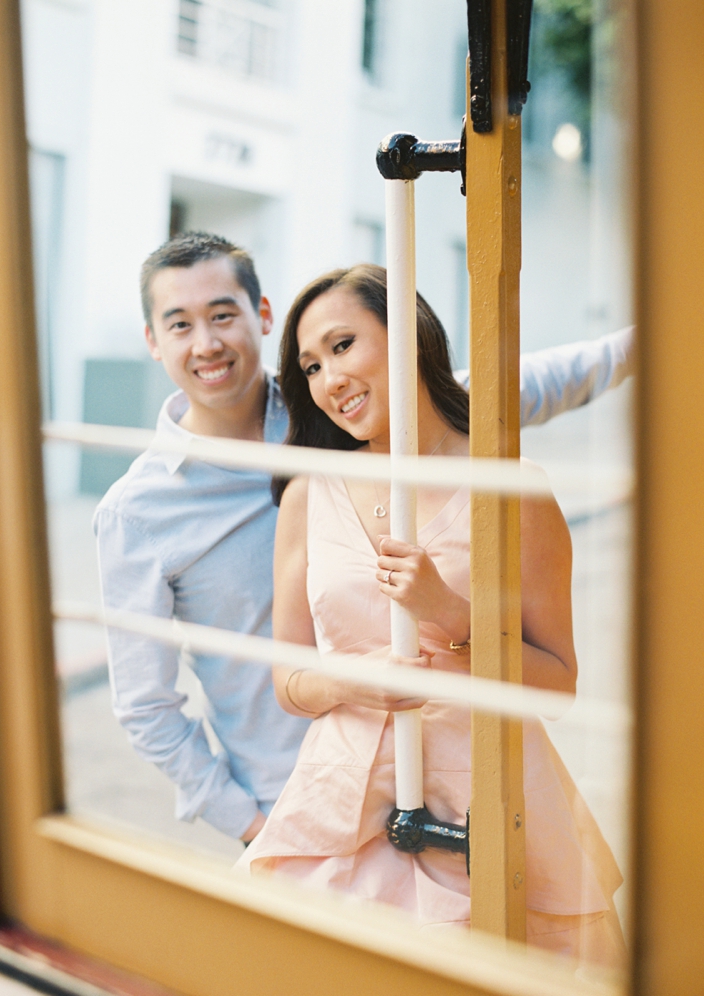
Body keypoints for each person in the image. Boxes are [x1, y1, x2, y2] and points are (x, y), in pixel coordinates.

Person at [95, 232, 634, 845]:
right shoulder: (137, 514)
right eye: (180, 324)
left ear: (261, 315)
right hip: (299, 798)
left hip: (452, 786)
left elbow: (510, 387)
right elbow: (146, 706)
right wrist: (254, 825)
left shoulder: (349, 415)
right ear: (152, 342)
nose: (208, 342)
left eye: (223, 315)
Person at [238, 264, 626, 969]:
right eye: (311, 365)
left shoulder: (511, 491)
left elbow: (558, 683)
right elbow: (289, 678)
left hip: (490, 807)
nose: (329, 378)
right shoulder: (308, 493)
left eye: (344, 344)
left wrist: (449, 614)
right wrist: (354, 683)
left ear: (410, 336)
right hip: (343, 811)